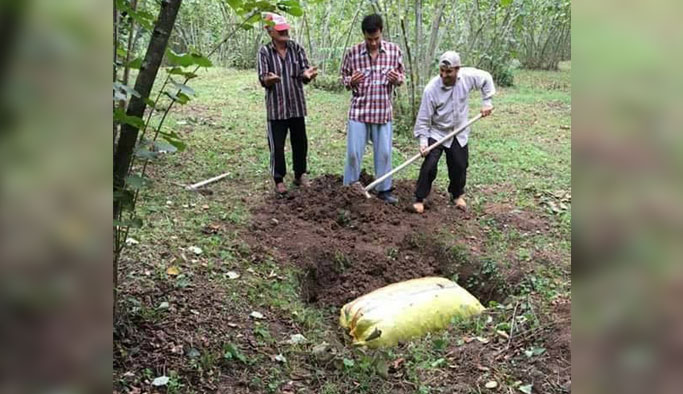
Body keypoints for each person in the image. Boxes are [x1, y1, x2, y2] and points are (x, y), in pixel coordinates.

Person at [412, 51, 495, 214]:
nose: (444, 75)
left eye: (448, 71)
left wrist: (487, 102)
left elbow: (486, 78)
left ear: (457, 69)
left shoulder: (468, 77)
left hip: (459, 130)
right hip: (437, 132)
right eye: (441, 70)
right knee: (429, 165)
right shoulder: (431, 89)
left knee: (459, 165)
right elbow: (423, 118)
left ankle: (457, 194)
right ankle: (419, 198)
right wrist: (423, 142)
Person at [340, 13, 404, 204]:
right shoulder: (353, 53)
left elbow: (401, 77)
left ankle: (384, 189)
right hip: (359, 111)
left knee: (384, 153)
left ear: (381, 32)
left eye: (376, 39)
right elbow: (343, 77)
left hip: (382, 111)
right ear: (364, 36)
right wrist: (350, 81)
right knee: (353, 153)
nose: (373, 43)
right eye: (369, 39)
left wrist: (396, 79)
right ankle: (350, 188)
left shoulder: (394, 51)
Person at [257, 12, 318, 195]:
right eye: (280, 30)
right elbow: (262, 77)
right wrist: (269, 80)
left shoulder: (296, 48)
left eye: (286, 30)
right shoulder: (265, 51)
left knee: (300, 141)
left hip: (296, 105)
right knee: (276, 144)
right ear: (270, 31)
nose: (284, 33)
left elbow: (304, 71)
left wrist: (307, 75)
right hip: (277, 108)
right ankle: (278, 179)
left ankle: (300, 174)